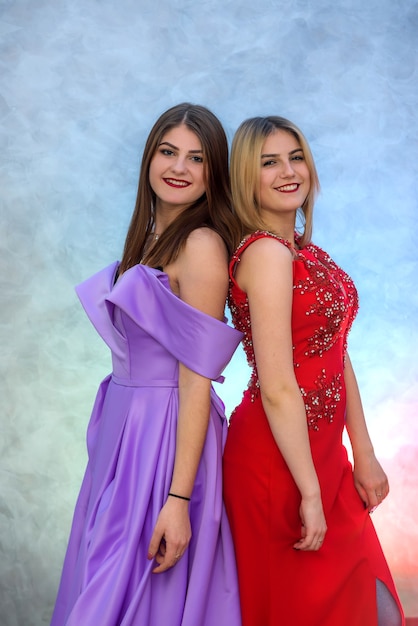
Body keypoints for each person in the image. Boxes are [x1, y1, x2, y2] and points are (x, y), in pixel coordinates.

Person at [51, 103, 243, 626]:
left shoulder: (201, 245)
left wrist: (178, 499)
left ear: (214, 173)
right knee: (103, 574)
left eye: (196, 158)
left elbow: (195, 379)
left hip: (164, 437)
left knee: (137, 587)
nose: (178, 167)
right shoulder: (148, 238)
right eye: (168, 151)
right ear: (149, 159)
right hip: (123, 430)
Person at [223, 115, 405, 626]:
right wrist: (309, 491)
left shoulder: (307, 254)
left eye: (295, 157)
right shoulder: (264, 254)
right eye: (268, 162)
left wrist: (362, 453)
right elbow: (279, 388)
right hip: (276, 464)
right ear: (245, 178)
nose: (288, 171)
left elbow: (335, 351)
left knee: (376, 608)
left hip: (325, 457)